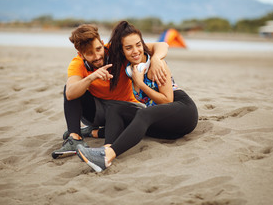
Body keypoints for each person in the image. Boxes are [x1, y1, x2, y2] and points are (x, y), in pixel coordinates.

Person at [76, 21, 198, 172]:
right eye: (129, 48)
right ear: (122, 51)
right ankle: (106, 147)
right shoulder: (128, 68)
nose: (135, 51)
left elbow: (167, 100)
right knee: (115, 108)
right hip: (163, 126)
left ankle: (107, 157)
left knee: (143, 113)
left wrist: (142, 82)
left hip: (183, 113)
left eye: (138, 45)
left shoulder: (156, 65)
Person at [52, 24, 169, 158]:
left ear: (102, 43)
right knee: (70, 87)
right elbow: (70, 94)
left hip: (125, 109)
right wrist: (92, 77)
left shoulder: (115, 51)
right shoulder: (77, 63)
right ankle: (75, 138)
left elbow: (162, 45)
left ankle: (94, 133)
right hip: (98, 113)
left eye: (98, 49)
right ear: (80, 53)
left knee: (129, 123)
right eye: (90, 53)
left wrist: (156, 58)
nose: (97, 56)